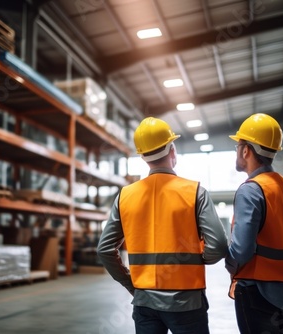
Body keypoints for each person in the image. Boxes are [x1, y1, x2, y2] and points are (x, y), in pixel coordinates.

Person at [97, 117, 228, 334]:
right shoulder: (195, 192)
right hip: (187, 301)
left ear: (143, 156)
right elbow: (219, 246)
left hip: (144, 301)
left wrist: (131, 284)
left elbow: (104, 250)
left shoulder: (125, 196)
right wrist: (198, 259)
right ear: (172, 149)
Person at [225, 113, 283, 334]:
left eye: (238, 146)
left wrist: (229, 263)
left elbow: (241, 250)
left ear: (246, 150)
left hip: (258, 294)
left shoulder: (251, 189)